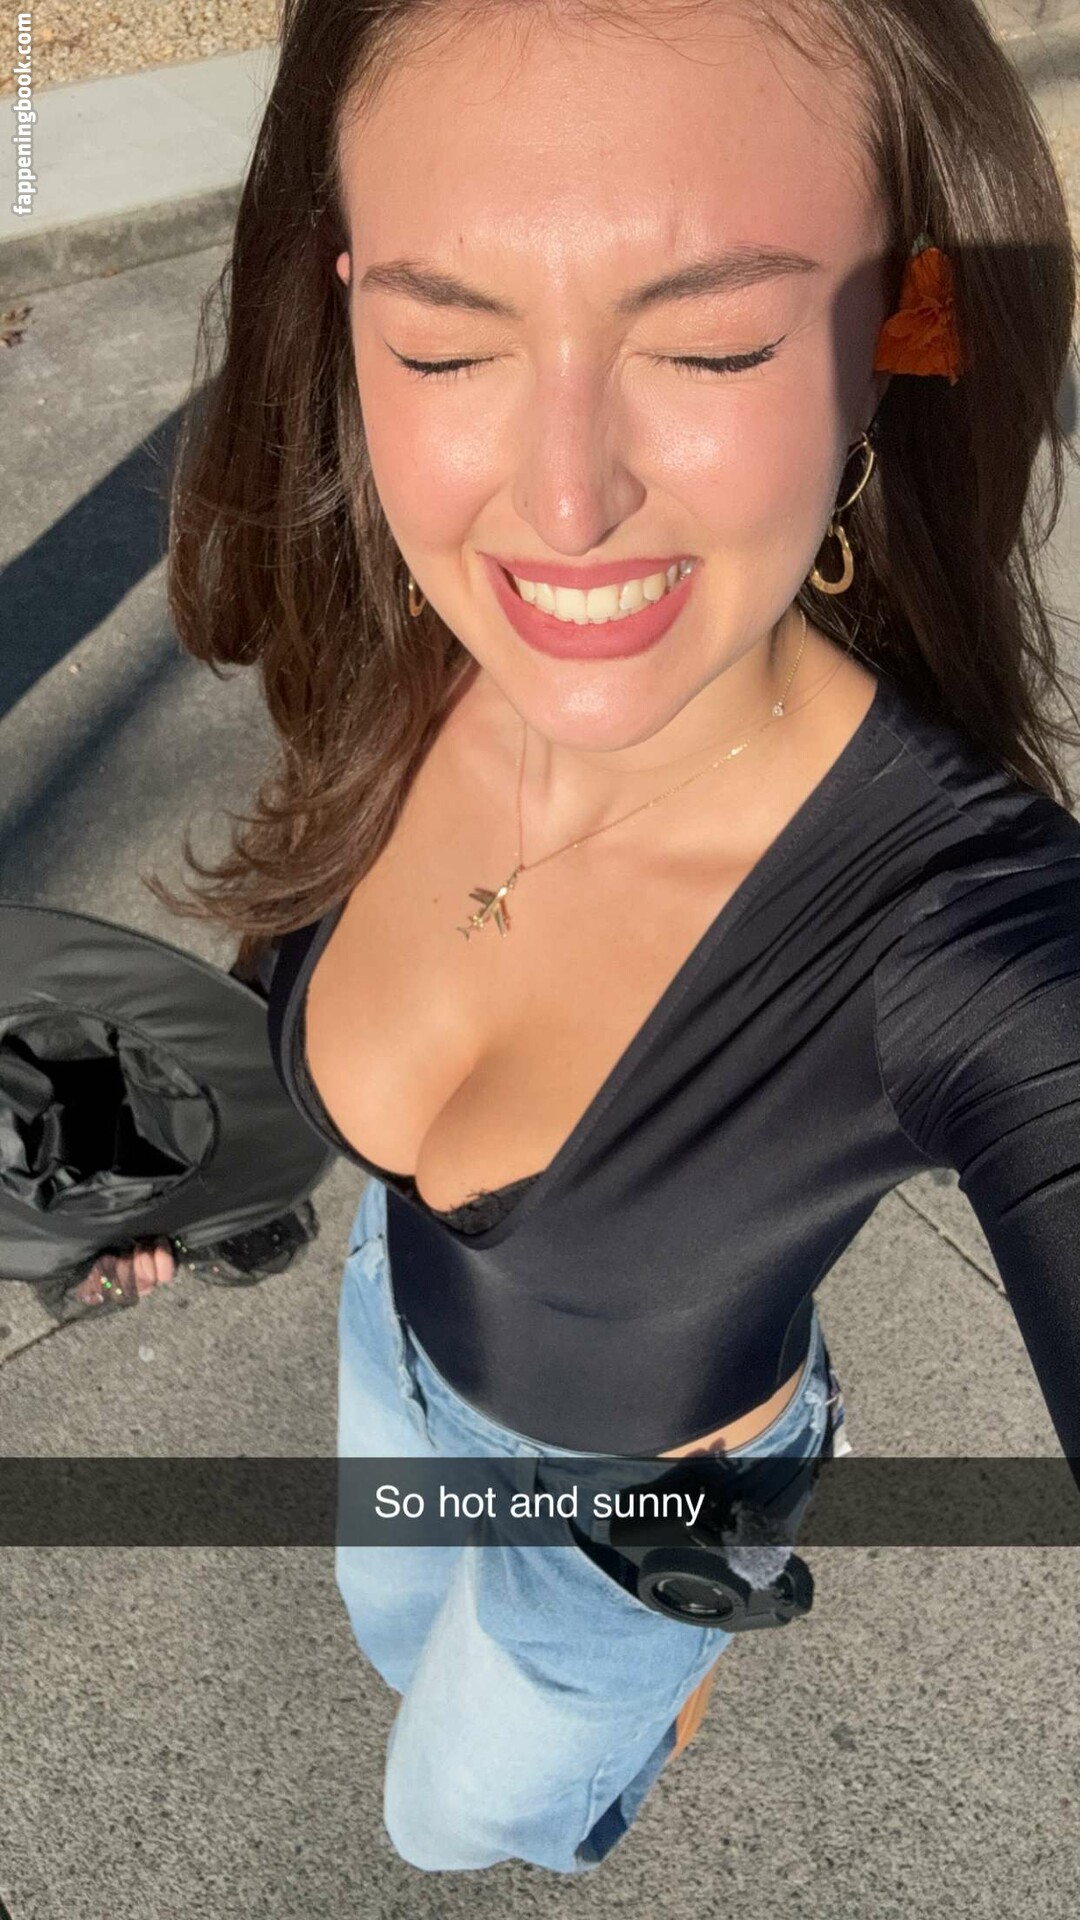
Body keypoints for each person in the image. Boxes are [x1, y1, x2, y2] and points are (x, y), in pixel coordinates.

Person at [137, 0, 1080, 1878]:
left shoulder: (970, 938)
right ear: (347, 309)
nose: (562, 508)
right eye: (445, 343)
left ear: (899, 325)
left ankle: (646, 1704)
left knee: (452, 1816)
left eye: (713, 342)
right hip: (393, 1343)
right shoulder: (402, 640)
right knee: (393, 1634)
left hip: (636, 1514)